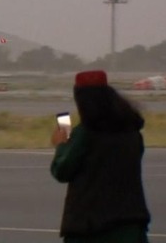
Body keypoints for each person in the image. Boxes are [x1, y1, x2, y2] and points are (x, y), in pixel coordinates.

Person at [50, 70, 151, 243]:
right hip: (131, 225)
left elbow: (62, 170)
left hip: (90, 228)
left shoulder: (85, 134)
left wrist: (61, 144)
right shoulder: (132, 132)